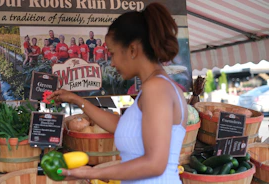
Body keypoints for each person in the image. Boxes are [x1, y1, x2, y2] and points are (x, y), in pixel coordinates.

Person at [46, 2, 187, 183]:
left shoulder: (156, 88)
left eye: (112, 53)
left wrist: (91, 173)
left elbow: (155, 164)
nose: (111, 62)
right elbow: (125, 126)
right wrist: (76, 99)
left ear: (133, 49)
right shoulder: (158, 86)